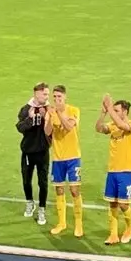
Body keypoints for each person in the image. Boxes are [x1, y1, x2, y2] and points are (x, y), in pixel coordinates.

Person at [98, 96, 131, 245]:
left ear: (125, 112)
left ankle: (129, 228)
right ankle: (113, 234)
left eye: (116, 110)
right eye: (113, 110)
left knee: (124, 205)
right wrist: (103, 113)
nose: (113, 113)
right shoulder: (112, 125)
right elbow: (99, 128)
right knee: (112, 204)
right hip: (112, 171)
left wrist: (109, 108)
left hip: (127, 171)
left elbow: (123, 126)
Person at [47, 85, 85, 236]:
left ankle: (78, 224)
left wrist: (57, 113)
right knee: (59, 189)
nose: (56, 100)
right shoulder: (51, 113)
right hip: (57, 158)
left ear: (65, 97)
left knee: (74, 190)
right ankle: (61, 223)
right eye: (54, 97)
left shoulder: (74, 110)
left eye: (59, 97)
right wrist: (50, 117)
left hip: (73, 157)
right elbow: (47, 132)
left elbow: (69, 127)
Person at [16, 83, 52, 225]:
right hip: (28, 151)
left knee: (43, 182)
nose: (47, 97)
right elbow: (20, 128)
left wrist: (46, 118)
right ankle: (30, 202)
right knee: (26, 180)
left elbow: (53, 129)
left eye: (47, 94)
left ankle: (42, 209)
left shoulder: (50, 109)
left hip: (43, 151)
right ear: (36, 93)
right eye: (45, 94)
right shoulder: (26, 109)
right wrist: (30, 119)